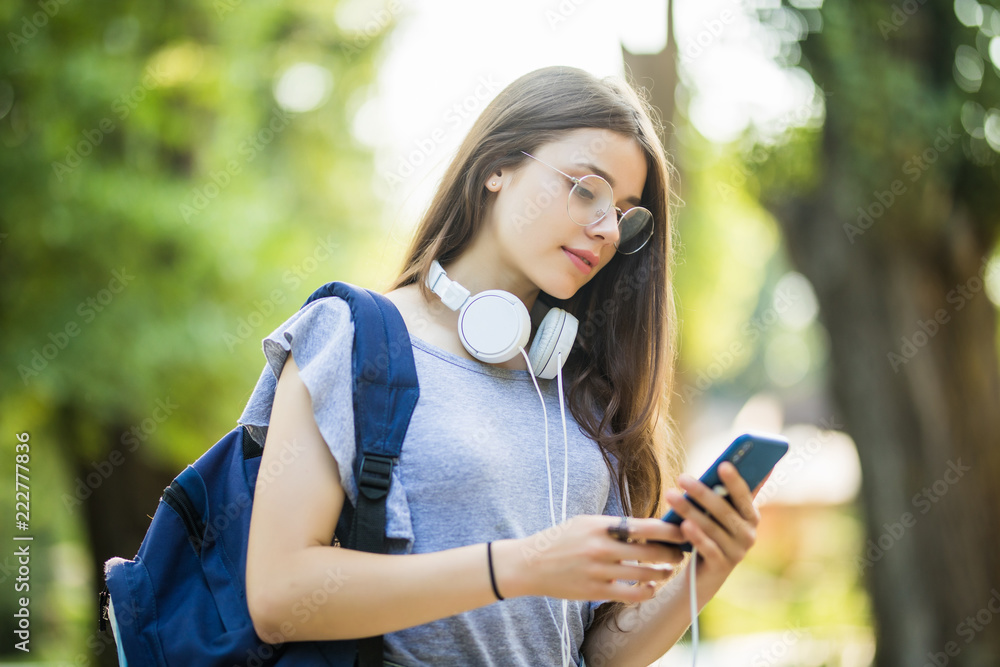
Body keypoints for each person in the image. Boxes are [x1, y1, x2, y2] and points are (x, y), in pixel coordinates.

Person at [239, 65, 767, 667]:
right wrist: (524, 564)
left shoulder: (585, 388)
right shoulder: (351, 336)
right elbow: (279, 596)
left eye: (624, 213)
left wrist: (705, 567)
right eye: (587, 190)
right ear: (497, 167)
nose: (605, 231)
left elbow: (594, 652)